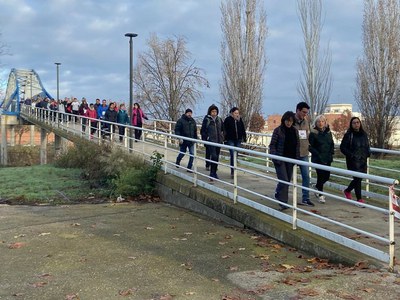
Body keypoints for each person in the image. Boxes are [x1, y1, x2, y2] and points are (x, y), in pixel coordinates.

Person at [269, 111, 300, 210]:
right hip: (280, 159)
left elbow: (297, 145)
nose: (289, 123)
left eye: (291, 121)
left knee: (287, 180)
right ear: (284, 120)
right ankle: (283, 202)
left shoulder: (295, 131)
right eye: (287, 121)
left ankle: (278, 193)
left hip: (290, 159)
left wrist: (297, 158)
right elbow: (272, 145)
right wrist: (274, 156)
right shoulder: (278, 130)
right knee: (284, 180)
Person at [340, 117, 371, 205]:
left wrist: (368, 152)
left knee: (359, 178)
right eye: (354, 123)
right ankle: (359, 199)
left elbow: (366, 145)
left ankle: (347, 190)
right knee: (357, 179)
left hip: (363, 159)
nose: (356, 124)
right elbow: (343, 147)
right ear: (351, 124)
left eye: (358, 122)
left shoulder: (364, 134)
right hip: (353, 160)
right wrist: (351, 155)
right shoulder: (349, 135)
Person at [309, 115, 334, 203]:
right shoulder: (313, 133)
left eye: (322, 121)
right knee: (320, 176)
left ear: (325, 122)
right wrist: (317, 154)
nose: (320, 123)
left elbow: (331, 144)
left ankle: (317, 187)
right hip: (318, 158)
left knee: (326, 176)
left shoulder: (328, 133)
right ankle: (321, 195)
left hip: (327, 157)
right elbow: (310, 146)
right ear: (316, 123)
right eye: (318, 122)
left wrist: (331, 153)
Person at [293, 101, 314, 206]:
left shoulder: (306, 121)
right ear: (297, 110)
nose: (305, 114)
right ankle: (281, 196)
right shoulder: (290, 120)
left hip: (304, 153)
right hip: (292, 153)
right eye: (303, 112)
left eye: (306, 112)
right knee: (287, 176)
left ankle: (305, 198)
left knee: (306, 176)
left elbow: (308, 134)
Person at [200, 104, 224, 181]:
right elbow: (203, 131)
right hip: (211, 141)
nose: (214, 113)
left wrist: (223, 138)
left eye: (215, 111)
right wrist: (205, 140)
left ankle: (214, 172)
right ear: (210, 112)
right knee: (213, 156)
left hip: (218, 141)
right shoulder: (207, 119)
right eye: (213, 111)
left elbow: (223, 129)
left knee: (216, 157)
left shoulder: (219, 120)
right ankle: (211, 173)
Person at [223, 107, 247, 179]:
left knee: (235, 155)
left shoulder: (240, 120)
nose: (237, 115)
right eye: (235, 113)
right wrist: (225, 139)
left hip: (238, 139)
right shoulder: (228, 120)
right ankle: (233, 171)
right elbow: (224, 129)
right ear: (232, 113)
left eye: (238, 113)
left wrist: (244, 137)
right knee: (232, 154)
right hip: (230, 139)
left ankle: (234, 169)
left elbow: (243, 129)